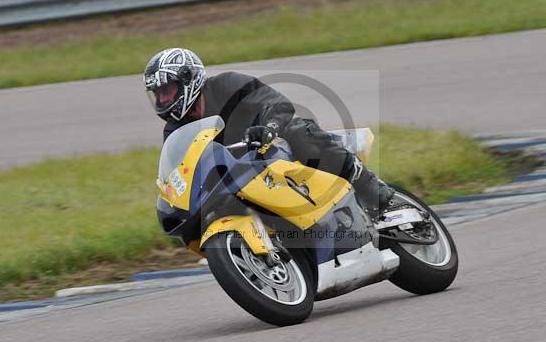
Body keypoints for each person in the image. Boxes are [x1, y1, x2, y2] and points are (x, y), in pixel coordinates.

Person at [144, 47, 394, 218]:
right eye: (159, 94)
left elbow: (278, 104)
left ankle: (368, 184)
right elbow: (185, 169)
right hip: (240, 174)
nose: (164, 99)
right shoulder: (175, 129)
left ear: (189, 80)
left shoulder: (227, 84)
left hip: (276, 148)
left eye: (168, 90)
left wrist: (268, 129)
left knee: (298, 130)